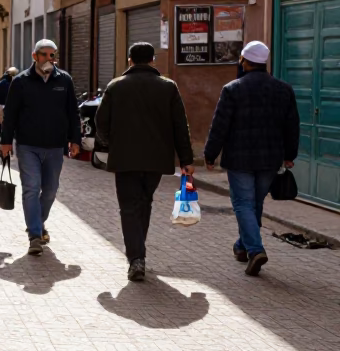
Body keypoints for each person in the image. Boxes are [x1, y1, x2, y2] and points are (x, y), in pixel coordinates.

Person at [95, 43, 195, 282]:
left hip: (125, 158)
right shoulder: (168, 87)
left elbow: (100, 124)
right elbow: (181, 126)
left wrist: (112, 143)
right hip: (156, 159)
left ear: (130, 60)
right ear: (152, 60)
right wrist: (186, 159)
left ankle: (136, 258)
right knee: (144, 202)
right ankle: (138, 254)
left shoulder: (115, 87)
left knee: (129, 207)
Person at [202, 41, 299, 277]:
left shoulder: (232, 89)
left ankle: (255, 249)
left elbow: (219, 126)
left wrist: (210, 154)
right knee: (254, 203)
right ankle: (242, 246)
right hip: (270, 158)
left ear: (245, 61)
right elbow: (292, 126)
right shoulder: (283, 89)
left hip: (240, 158)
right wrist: (289, 156)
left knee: (243, 203)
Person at [0, 40, 81, 256]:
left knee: (51, 190)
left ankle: (37, 222)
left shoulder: (64, 80)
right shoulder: (20, 81)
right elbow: (11, 115)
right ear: (34, 56)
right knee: (31, 188)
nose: (48, 59)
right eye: (44, 55)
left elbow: (73, 112)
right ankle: (35, 235)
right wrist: (6, 141)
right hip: (28, 145)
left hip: (55, 146)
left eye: (52, 55)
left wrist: (75, 139)